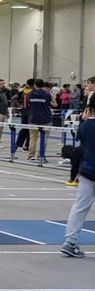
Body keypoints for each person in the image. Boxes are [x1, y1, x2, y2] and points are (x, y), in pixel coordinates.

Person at [60, 93, 95, 256]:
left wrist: (84, 119)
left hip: (87, 171)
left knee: (80, 207)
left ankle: (70, 241)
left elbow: (81, 138)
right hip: (88, 169)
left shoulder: (84, 126)